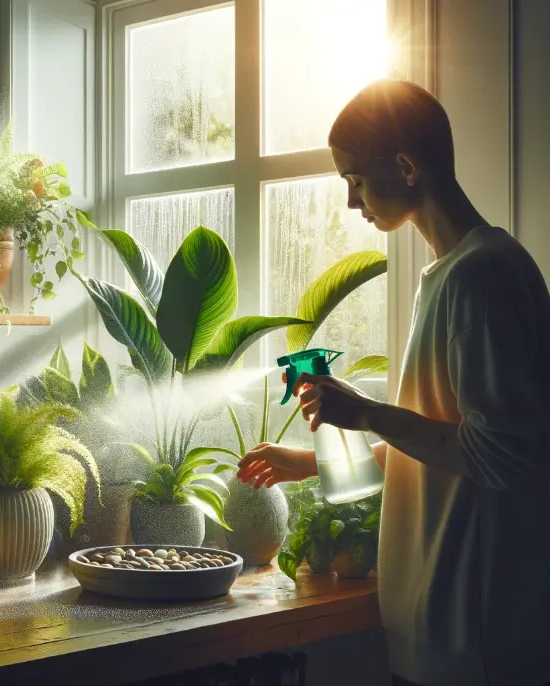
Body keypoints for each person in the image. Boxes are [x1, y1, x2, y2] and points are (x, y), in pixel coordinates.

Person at [236, 78, 550, 686]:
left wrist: (369, 412)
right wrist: (311, 463)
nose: (353, 203)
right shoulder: (448, 275)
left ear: (406, 166)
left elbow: (503, 457)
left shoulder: (483, 276)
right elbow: (446, 444)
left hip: (476, 635)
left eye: (355, 179)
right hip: (437, 627)